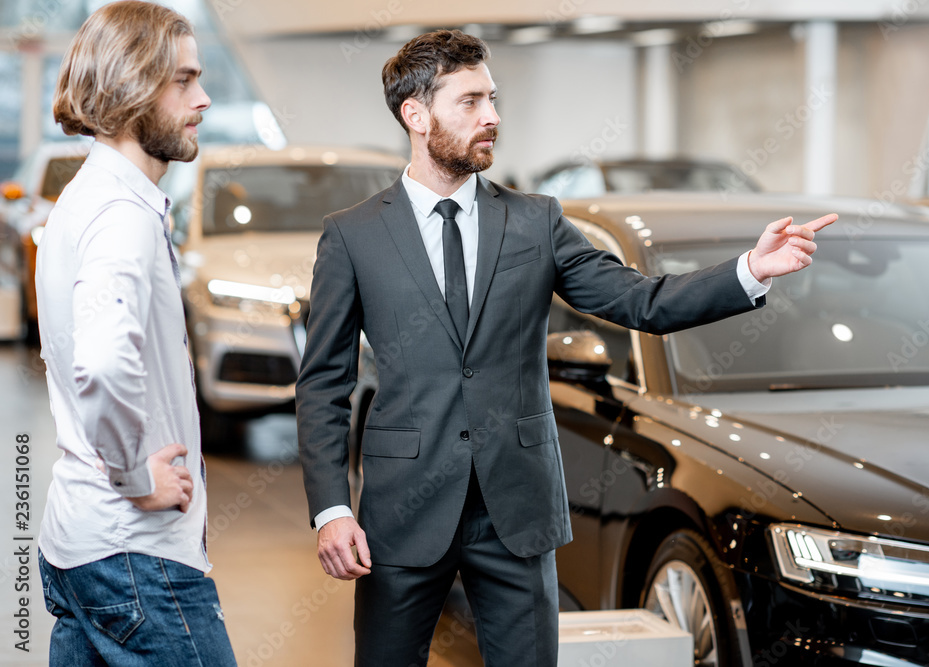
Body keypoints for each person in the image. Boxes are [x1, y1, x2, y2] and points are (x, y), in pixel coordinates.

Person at [296, 29, 836, 667]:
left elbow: (641, 301)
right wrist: (331, 509)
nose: (492, 116)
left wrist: (748, 269)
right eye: (470, 102)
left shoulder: (536, 221)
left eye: (493, 98)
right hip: (403, 506)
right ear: (416, 114)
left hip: (516, 510)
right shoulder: (353, 237)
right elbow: (322, 384)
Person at [35, 2, 237, 665]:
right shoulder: (121, 214)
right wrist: (130, 475)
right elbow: (99, 360)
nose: (202, 99)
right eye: (183, 80)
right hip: (137, 558)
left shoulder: (85, 199)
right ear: (130, 86)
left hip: (79, 548)